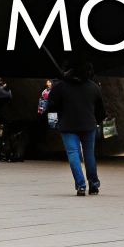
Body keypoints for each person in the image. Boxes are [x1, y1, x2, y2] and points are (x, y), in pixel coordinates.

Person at [46, 61, 105, 196]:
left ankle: (81, 186)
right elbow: (101, 110)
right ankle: (94, 184)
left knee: (73, 154)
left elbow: (51, 106)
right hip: (88, 125)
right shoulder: (93, 87)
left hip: (67, 125)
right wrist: (97, 120)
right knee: (89, 154)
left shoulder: (60, 87)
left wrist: (54, 121)